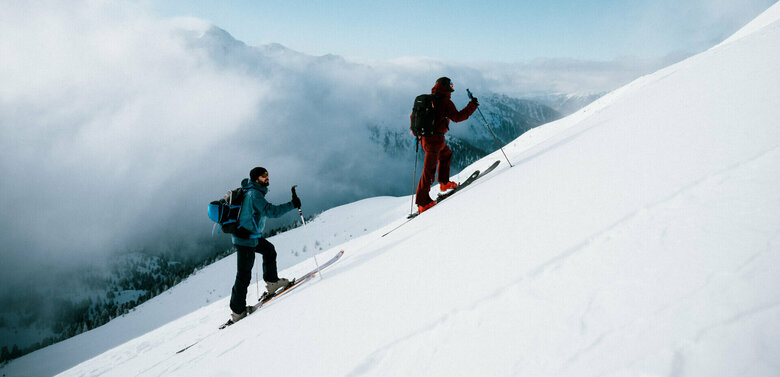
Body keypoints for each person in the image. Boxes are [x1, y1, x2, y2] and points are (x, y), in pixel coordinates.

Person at [228, 166, 302, 324]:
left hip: (251, 237)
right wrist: (292, 204)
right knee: (243, 275)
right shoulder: (254, 194)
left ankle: (272, 283)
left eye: (267, 175)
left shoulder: (252, 190)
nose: (267, 178)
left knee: (269, 250)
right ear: (256, 179)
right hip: (245, 240)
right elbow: (271, 212)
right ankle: (238, 311)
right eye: (263, 176)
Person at [414, 77, 479, 213]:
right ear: (446, 88)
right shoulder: (445, 102)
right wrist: (472, 105)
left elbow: (413, 118)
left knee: (446, 154)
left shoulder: (428, 100)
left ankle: (444, 183)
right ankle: (422, 202)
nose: (451, 90)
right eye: (451, 86)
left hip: (427, 139)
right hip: (434, 140)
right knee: (428, 170)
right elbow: (457, 117)